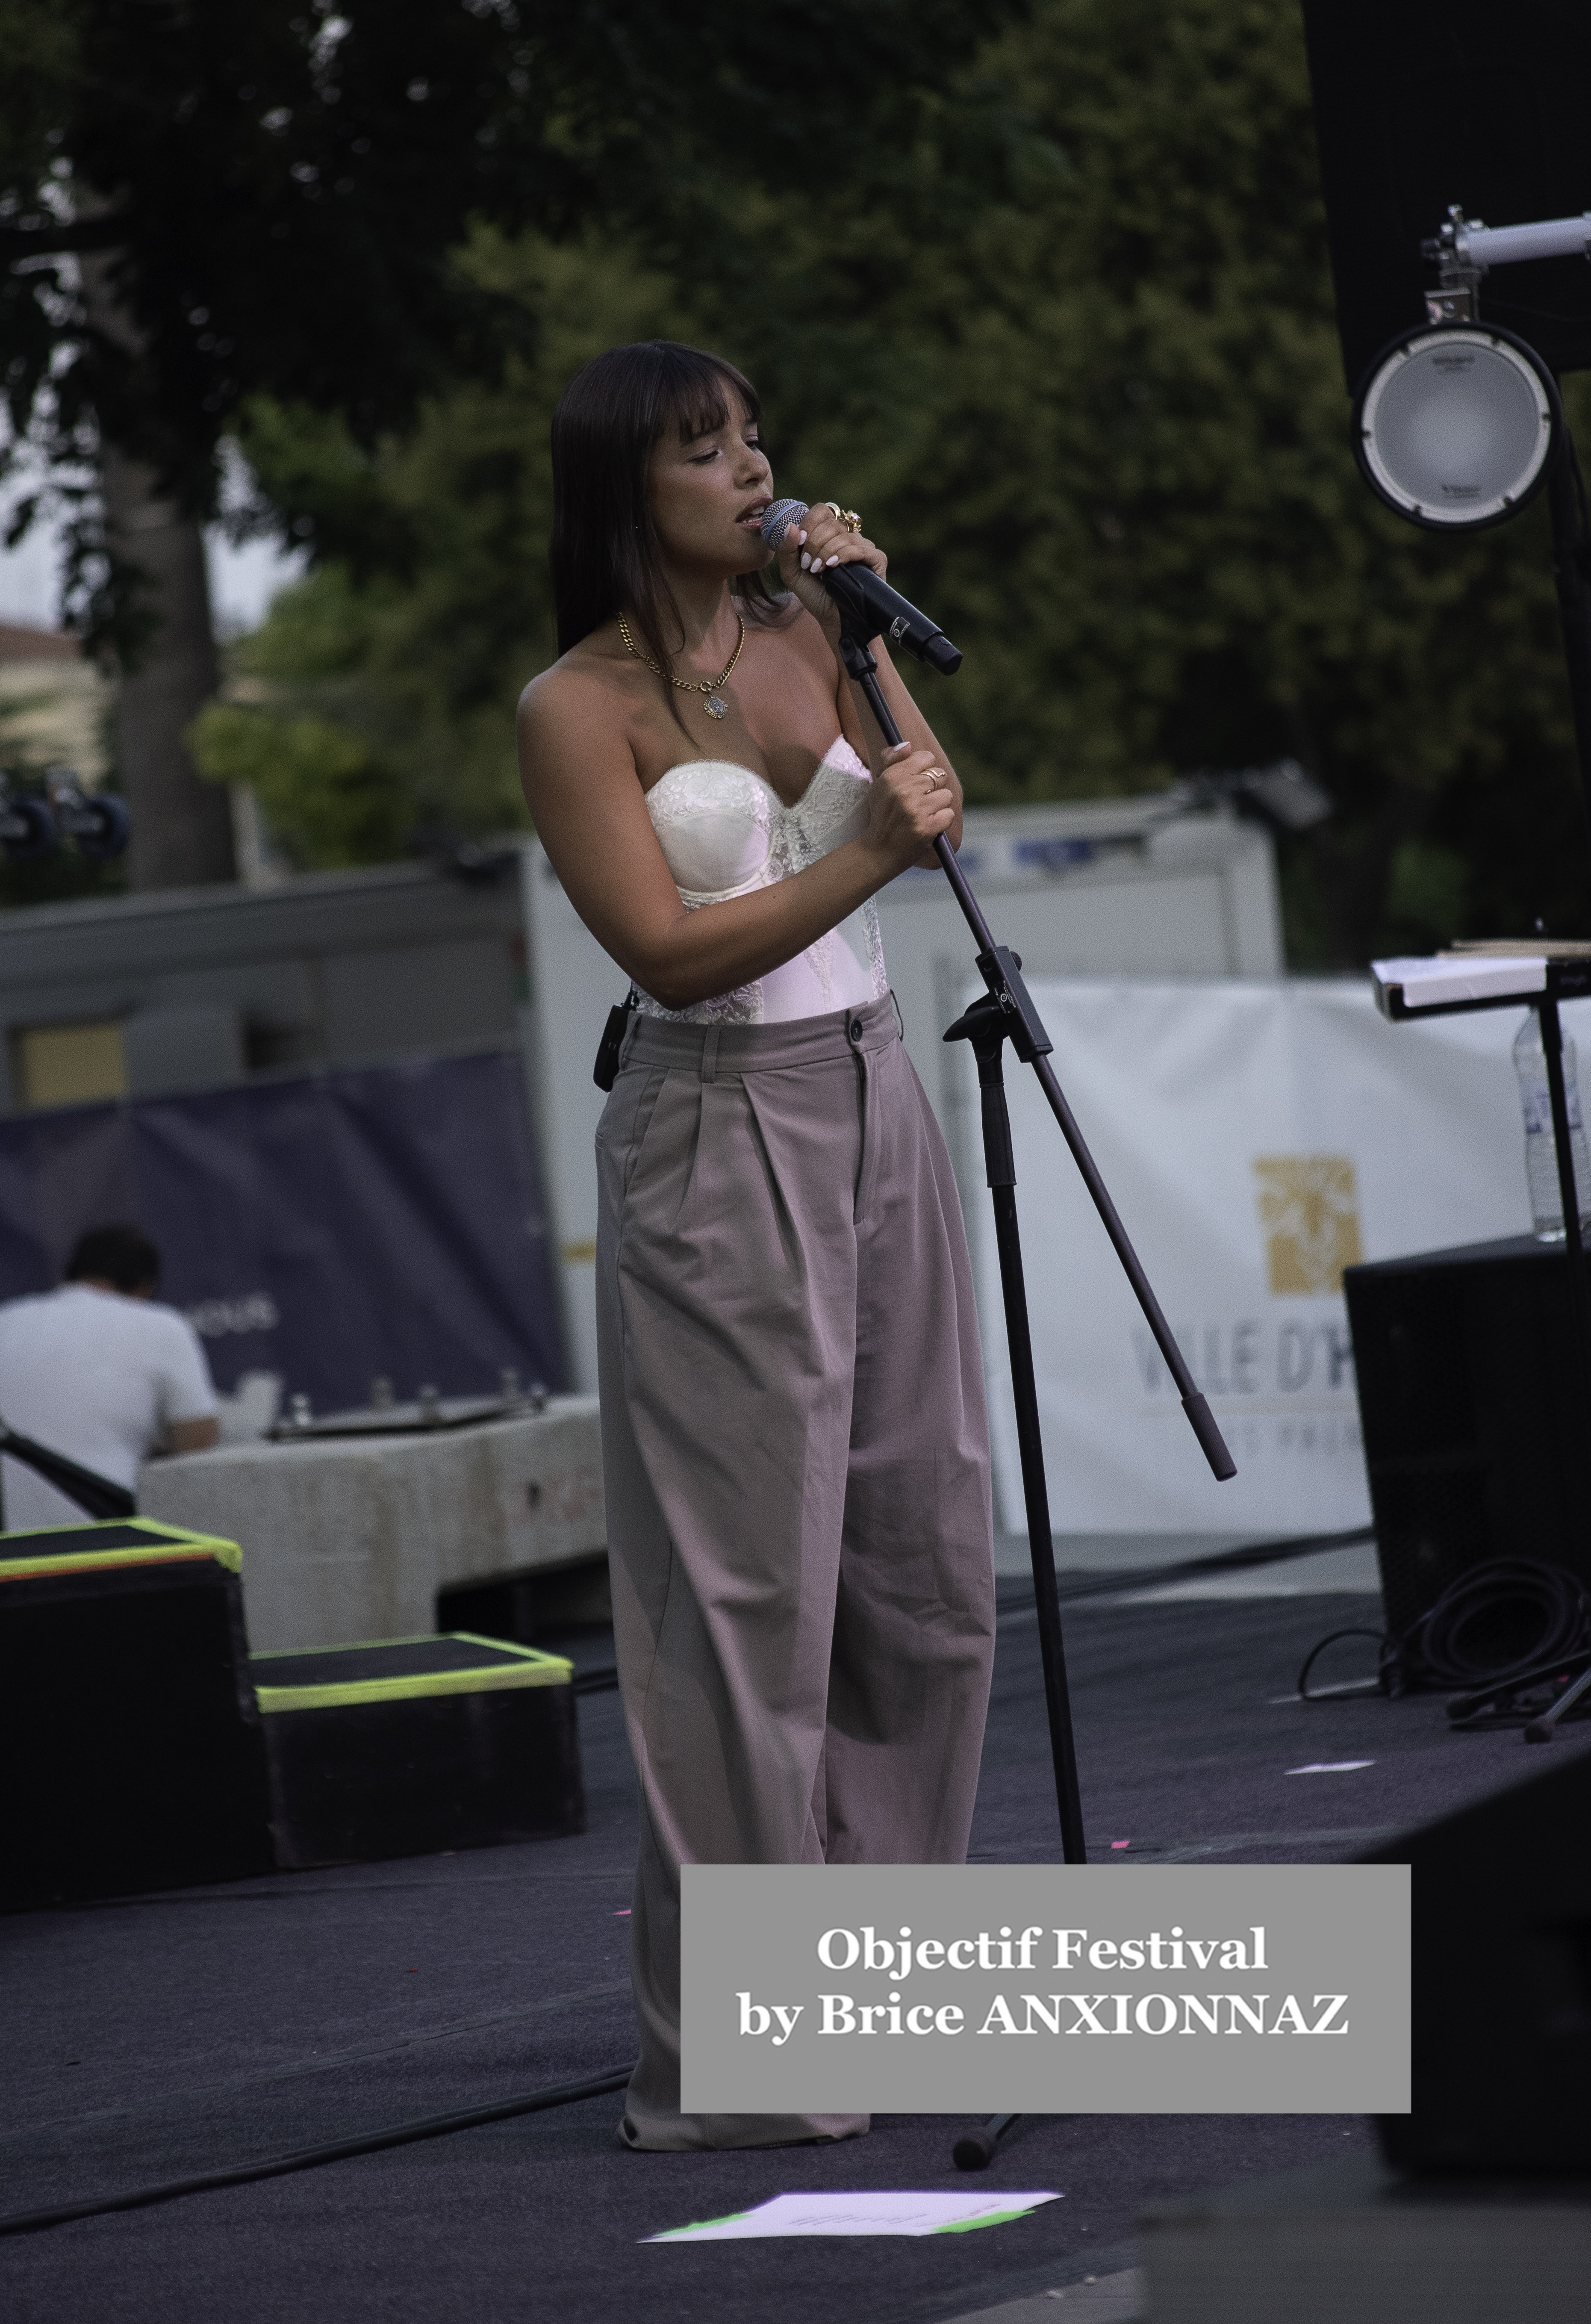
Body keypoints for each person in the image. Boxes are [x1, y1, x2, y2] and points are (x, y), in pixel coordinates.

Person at [517, 340, 995, 2152]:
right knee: (745, 1608)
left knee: (923, 1564)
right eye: (702, 447)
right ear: (620, 486)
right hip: (717, 1117)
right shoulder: (573, 702)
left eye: (752, 441)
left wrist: (856, 624)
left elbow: (928, 805)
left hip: (872, 1085)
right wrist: (864, 848)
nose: (748, 468)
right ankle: (745, 2055)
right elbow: (668, 946)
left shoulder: (809, 630)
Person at [0, 1223, 220, 1528]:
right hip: (100, 1533)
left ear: (68, 1276)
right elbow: (199, 1440)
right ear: (145, 1287)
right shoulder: (161, 1325)